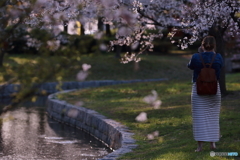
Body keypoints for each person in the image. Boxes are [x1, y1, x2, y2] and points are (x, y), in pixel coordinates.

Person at [187, 36, 223, 152]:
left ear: (202, 46)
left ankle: (200, 147)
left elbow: (190, 66)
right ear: (214, 45)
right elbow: (220, 67)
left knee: (199, 118)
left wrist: (199, 53)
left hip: (199, 90)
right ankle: (212, 144)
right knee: (213, 117)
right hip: (214, 89)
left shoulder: (196, 57)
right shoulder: (218, 57)